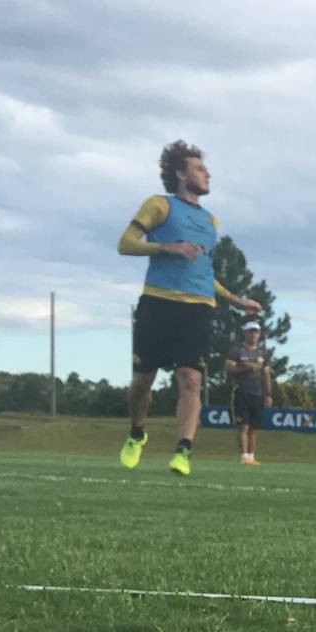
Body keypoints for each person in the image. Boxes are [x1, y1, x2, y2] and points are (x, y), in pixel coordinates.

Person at [116, 141, 262, 475]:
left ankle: (183, 451)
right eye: (199, 168)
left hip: (198, 307)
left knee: (190, 378)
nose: (207, 173)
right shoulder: (159, 205)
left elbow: (205, 272)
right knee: (143, 380)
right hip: (157, 302)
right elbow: (125, 244)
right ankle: (137, 433)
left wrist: (237, 301)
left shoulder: (211, 222)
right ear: (180, 173)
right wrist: (167, 247)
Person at [225, 320, 272, 466]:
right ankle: (244, 455)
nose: (253, 334)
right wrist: (246, 367)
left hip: (258, 393)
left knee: (254, 427)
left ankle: (251, 456)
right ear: (245, 333)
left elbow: (266, 373)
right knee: (243, 425)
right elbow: (228, 368)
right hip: (242, 391)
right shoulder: (237, 350)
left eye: (256, 331)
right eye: (251, 331)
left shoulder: (262, 352)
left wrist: (268, 394)